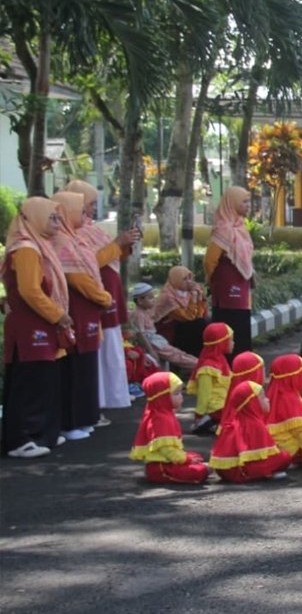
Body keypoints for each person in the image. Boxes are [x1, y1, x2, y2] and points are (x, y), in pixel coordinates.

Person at [1, 197, 70, 458]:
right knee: (29, 380)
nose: (58, 223)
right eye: (52, 217)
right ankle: (21, 439)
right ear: (36, 217)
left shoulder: (39, 245)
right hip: (30, 324)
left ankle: (42, 433)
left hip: (40, 322)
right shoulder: (27, 249)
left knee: (43, 378)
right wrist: (58, 315)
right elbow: (30, 290)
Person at [66, 179, 138, 417]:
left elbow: (109, 256)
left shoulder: (90, 228)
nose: (93, 208)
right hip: (93, 294)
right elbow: (90, 263)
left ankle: (112, 395)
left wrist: (124, 245)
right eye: (89, 203)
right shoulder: (73, 232)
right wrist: (117, 244)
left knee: (111, 344)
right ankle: (100, 399)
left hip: (107, 290)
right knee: (99, 347)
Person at [52, 191, 111, 441]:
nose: (86, 211)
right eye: (81, 207)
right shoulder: (61, 240)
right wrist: (103, 297)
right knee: (75, 367)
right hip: (76, 308)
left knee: (86, 365)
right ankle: (72, 421)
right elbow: (76, 278)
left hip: (88, 309)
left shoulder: (75, 237)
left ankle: (85, 417)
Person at [128, 372, 211, 484]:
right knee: (199, 471)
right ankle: (204, 469)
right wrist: (186, 459)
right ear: (162, 397)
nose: (181, 396)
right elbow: (167, 450)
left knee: (197, 457)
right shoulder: (160, 420)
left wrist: (187, 458)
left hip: (167, 461)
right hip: (161, 467)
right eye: (176, 393)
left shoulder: (164, 414)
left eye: (180, 392)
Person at [209, 380, 292, 482]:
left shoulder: (233, 420)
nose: (268, 399)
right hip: (240, 471)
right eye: (263, 397)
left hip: (223, 470)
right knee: (285, 457)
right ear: (253, 402)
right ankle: (266, 473)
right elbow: (263, 455)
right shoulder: (254, 423)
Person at [205, 186, 254, 355]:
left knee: (242, 333)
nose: (248, 205)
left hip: (242, 290)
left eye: (248, 201)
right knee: (230, 334)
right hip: (227, 293)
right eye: (244, 201)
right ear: (232, 203)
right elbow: (210, 260)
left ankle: (243, 366)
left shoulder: (240, 226)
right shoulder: (223, 228)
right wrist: (211, 280)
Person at [129, 283, 198, 372]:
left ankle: (197, 364)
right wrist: (150, 350)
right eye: (150, 298)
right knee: (176, 356)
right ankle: (199, 365)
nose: (154, 300)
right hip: (152, 343)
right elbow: (141, 334)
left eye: (153, 297)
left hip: (155, 341)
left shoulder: (145, 312)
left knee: (175, 355)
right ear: (140, 301)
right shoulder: (139, 314)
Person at [266, 354, 302, 464]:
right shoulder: (288, 399)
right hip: (291, 450)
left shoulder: (278, 393)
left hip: (279, 446)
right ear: (294, 377)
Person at [152, 265, 209, 358]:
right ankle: (195, 358)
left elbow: (199, 314)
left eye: (190, 278)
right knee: (199, 325)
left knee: (205, 323)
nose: (189, 282)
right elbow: (188, 317)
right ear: (176, 280)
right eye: (185, 279)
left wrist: (199, 295)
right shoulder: (168, 297)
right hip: (170, 331)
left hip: (183, 326)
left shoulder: (187, 292)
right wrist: (194, 297)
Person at [187, 322, 234, 435]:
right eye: (230, 340)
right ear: (221, 342)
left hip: (225, 405)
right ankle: (207, 423)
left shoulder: (221, 360)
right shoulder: (207, 368)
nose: (233, 343)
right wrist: (198, 415)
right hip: (216, 409)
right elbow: (204, 394)